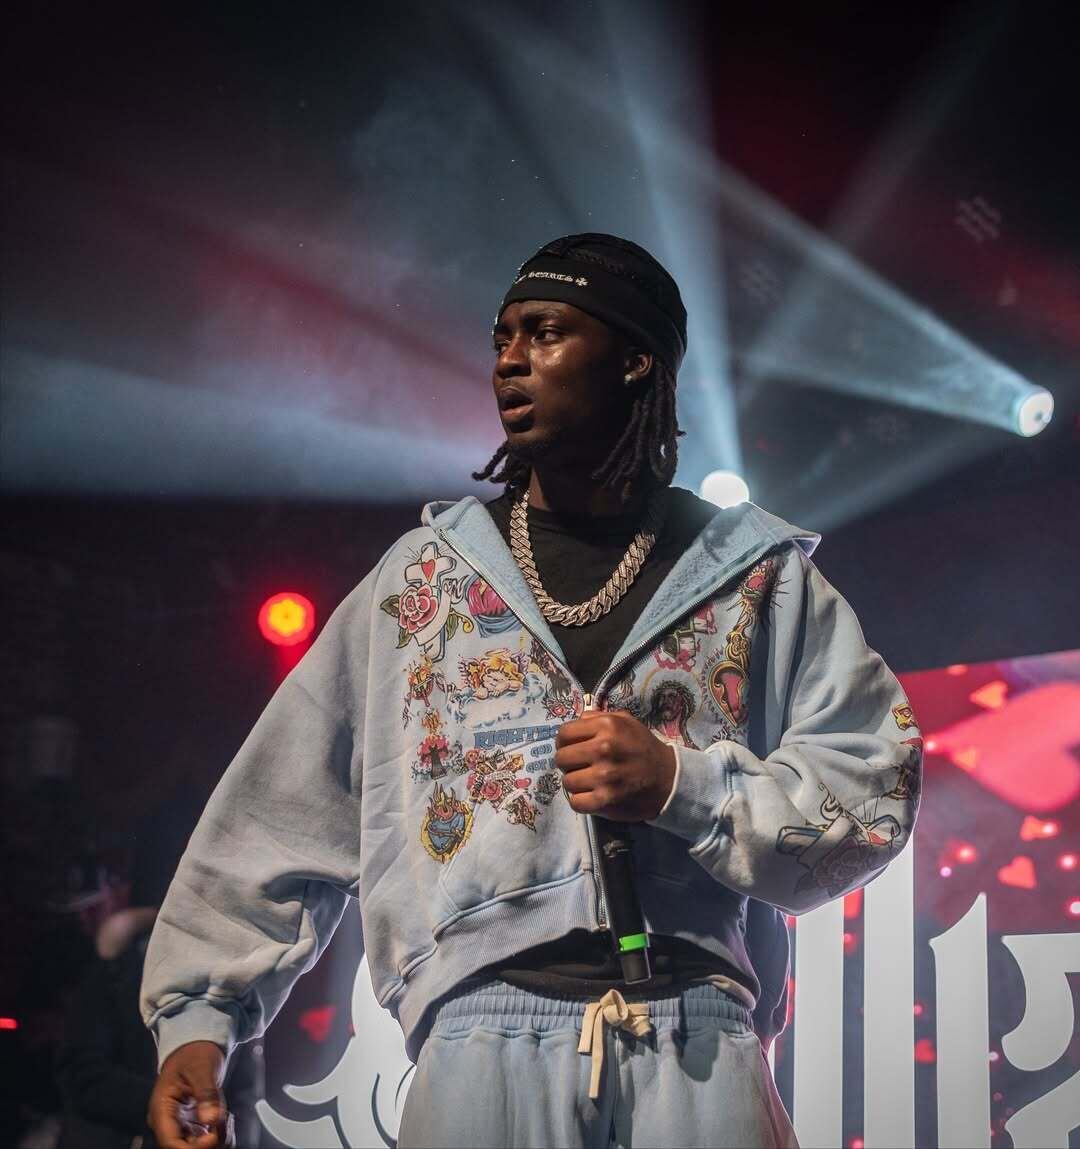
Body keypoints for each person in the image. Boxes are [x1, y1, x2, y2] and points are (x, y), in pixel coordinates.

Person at [141, 233, 923, 1148]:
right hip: (479, 1042)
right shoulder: (420, 584)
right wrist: (199, 1021)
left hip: (700, 1035)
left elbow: (873, 783)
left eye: (545, 332)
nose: (510, 360)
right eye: (502, 338)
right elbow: (279, 806)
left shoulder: (754, 574)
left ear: (634, 359)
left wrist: (684, 785)